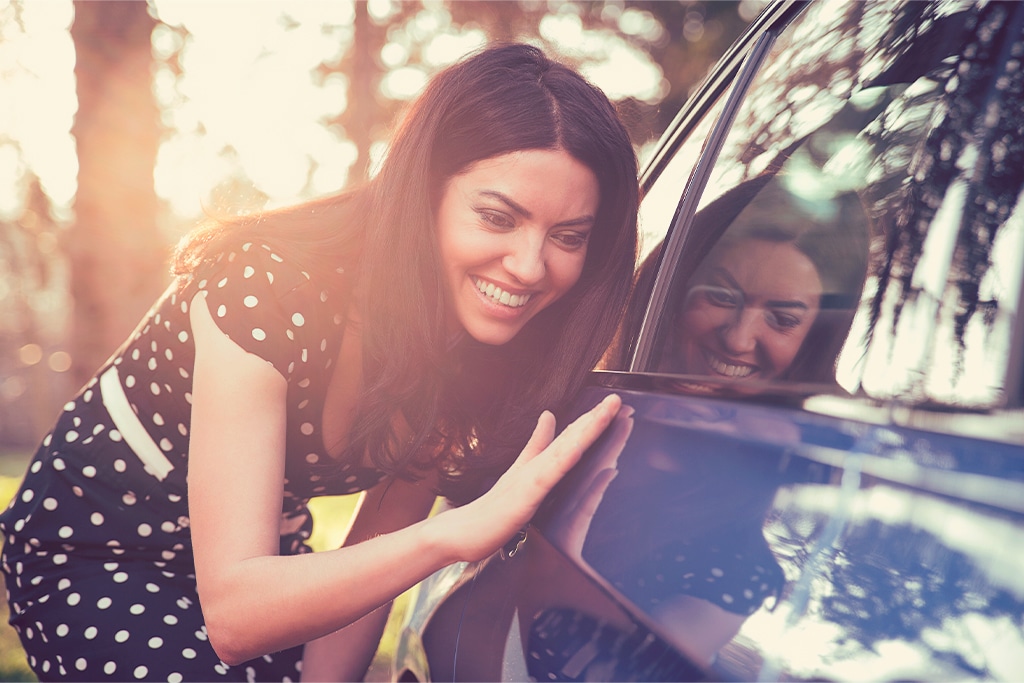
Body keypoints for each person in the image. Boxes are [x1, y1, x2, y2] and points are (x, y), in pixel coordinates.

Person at [0, 43, 638, 682]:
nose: (530, 267)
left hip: (263, 560)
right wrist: (457, 535)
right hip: (99, 546)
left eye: (568, 237)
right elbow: (238, 612)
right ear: (424, 194)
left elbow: (376, 549)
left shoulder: (475, 345)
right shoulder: (265, 285)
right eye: (498, 217)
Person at [660, 176, 870, 385]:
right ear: (677, 285)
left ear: (816, 340)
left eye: (782, 319)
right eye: (721, 296)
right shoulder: (630, 382)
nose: (737, 341)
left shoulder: (834, 418)